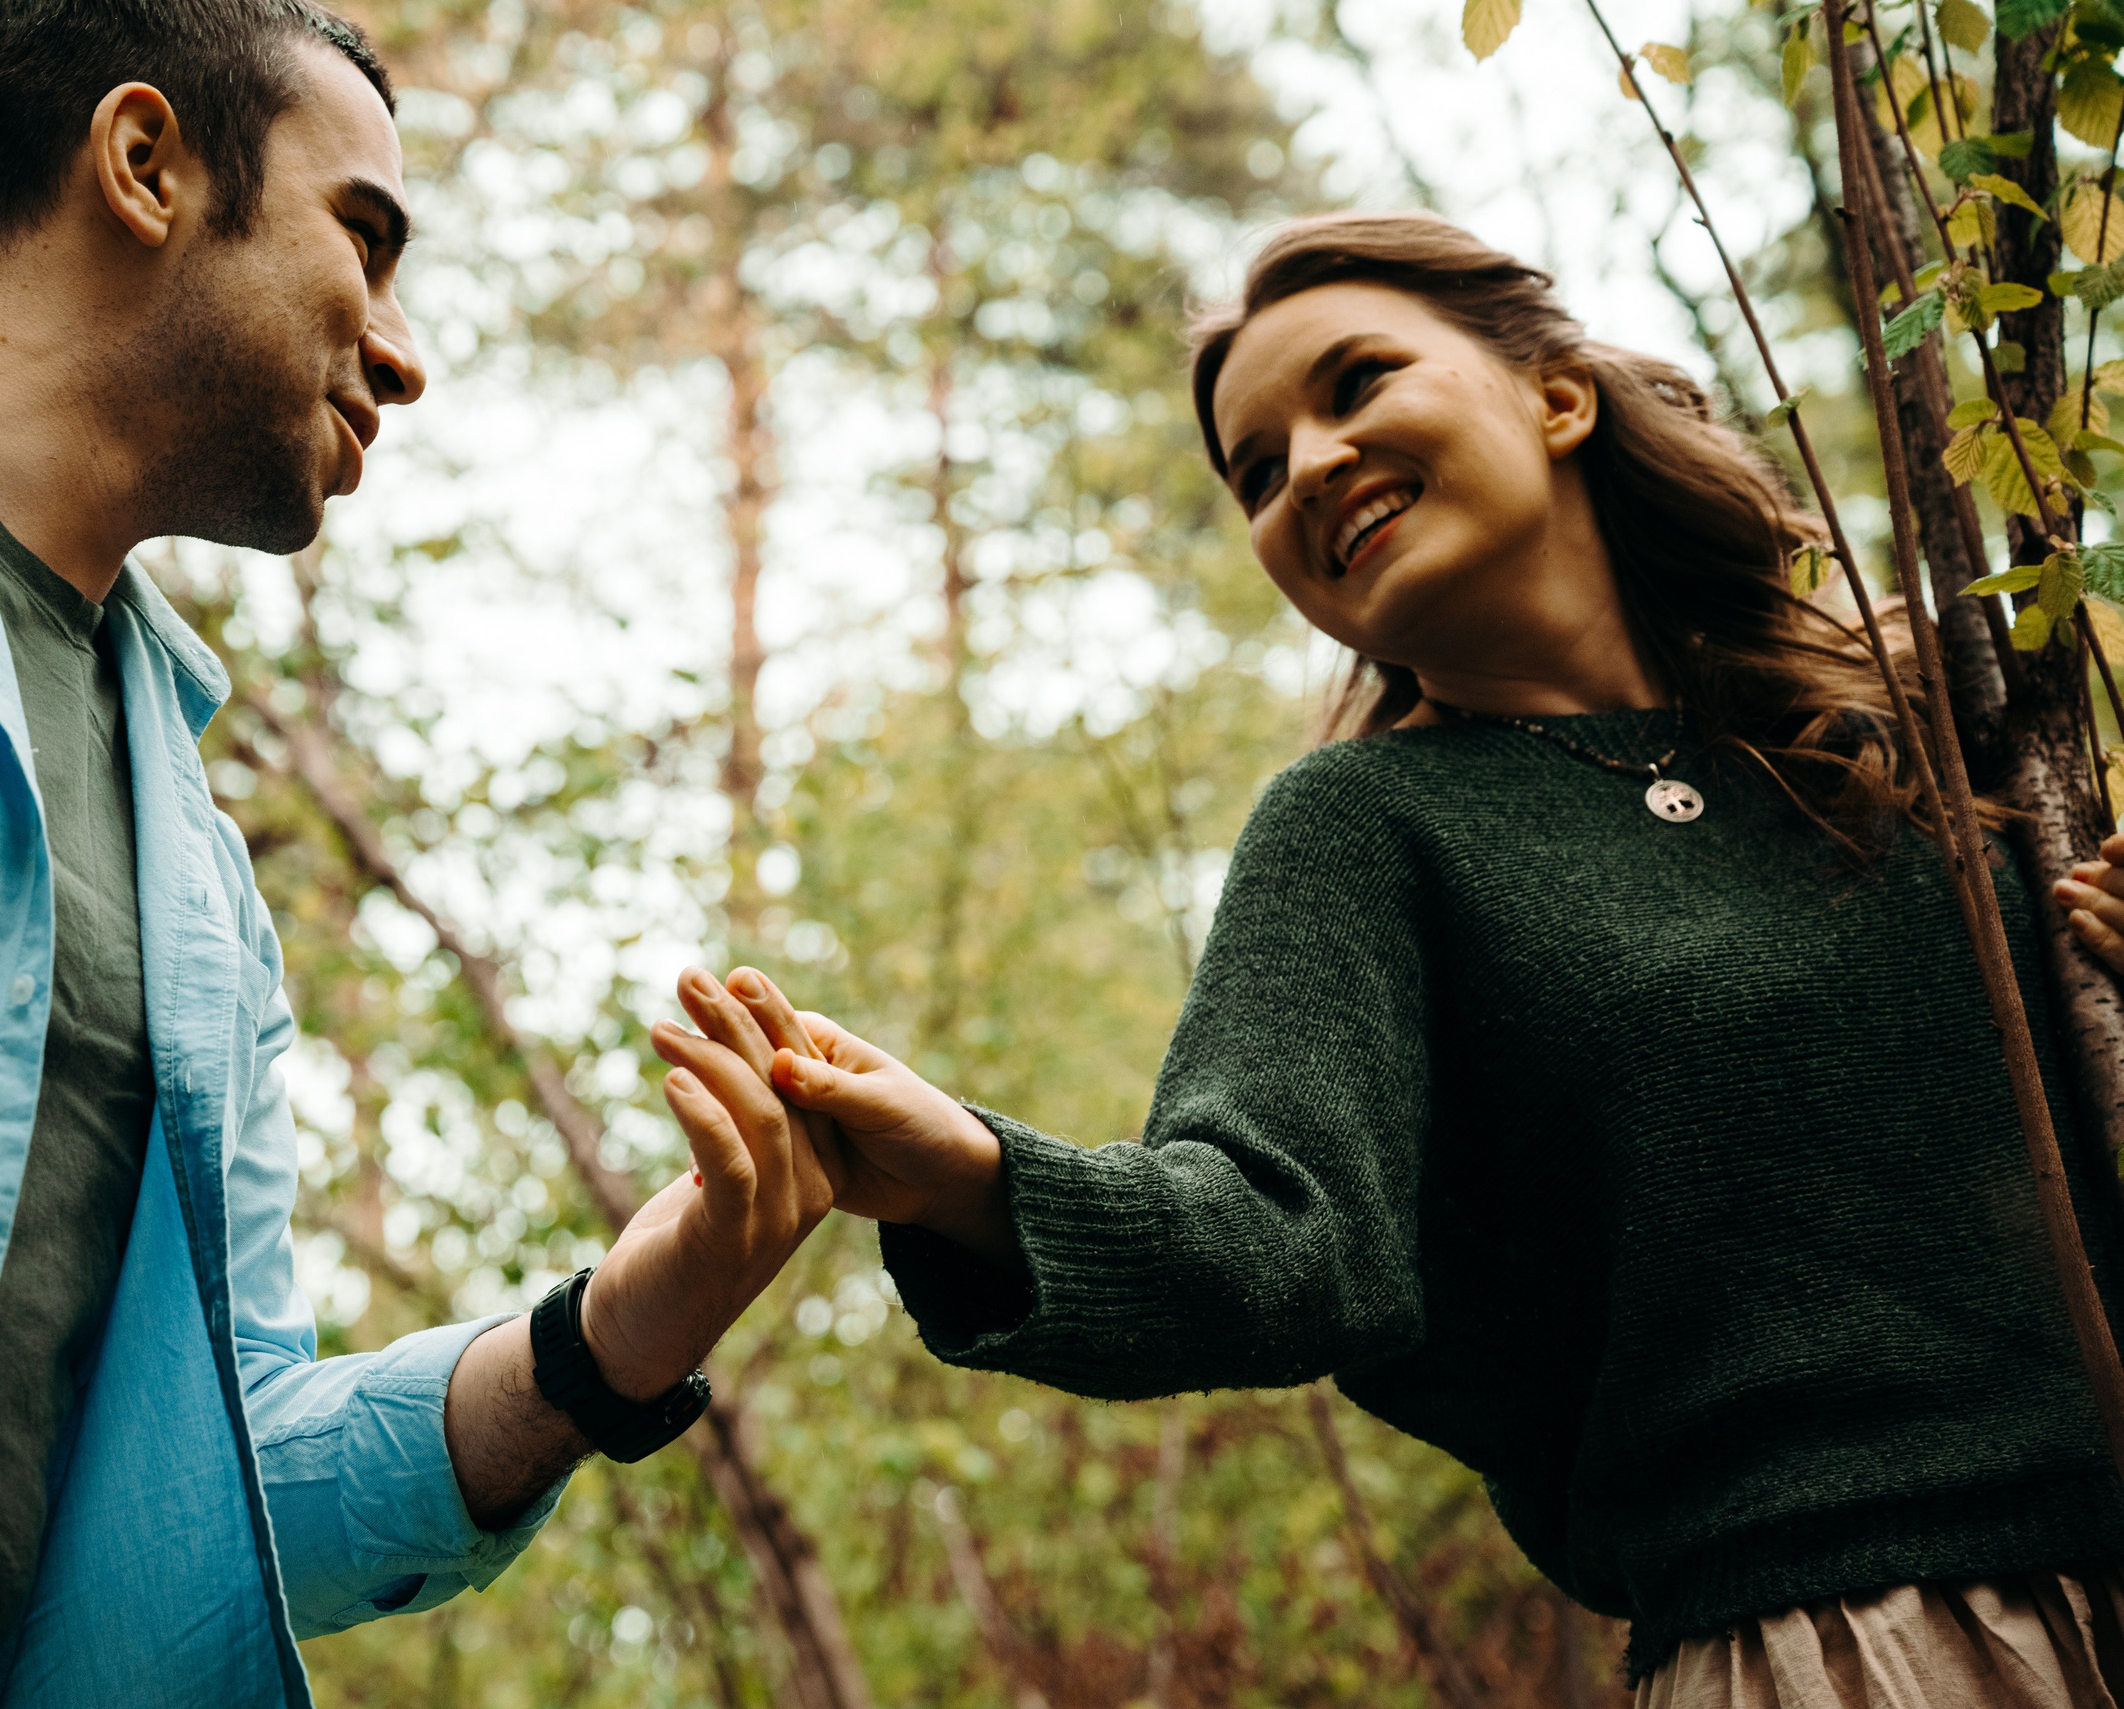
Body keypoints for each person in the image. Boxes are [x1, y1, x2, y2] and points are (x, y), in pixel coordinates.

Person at [652, 213, 2124, 1705]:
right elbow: (1279, 1236)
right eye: (1257, 469)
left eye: (1356, 384)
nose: (1306, 466)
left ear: (1558, 396)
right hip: (1857, 1648)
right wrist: (969, 1178)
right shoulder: (1366, 829)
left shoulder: (1936, 709)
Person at [0, 3, 831, 1704]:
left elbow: (214, 1495)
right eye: (362, 240)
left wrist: (616, 1336)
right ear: (146, 165)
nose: (399, 349)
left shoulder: (202, 887)